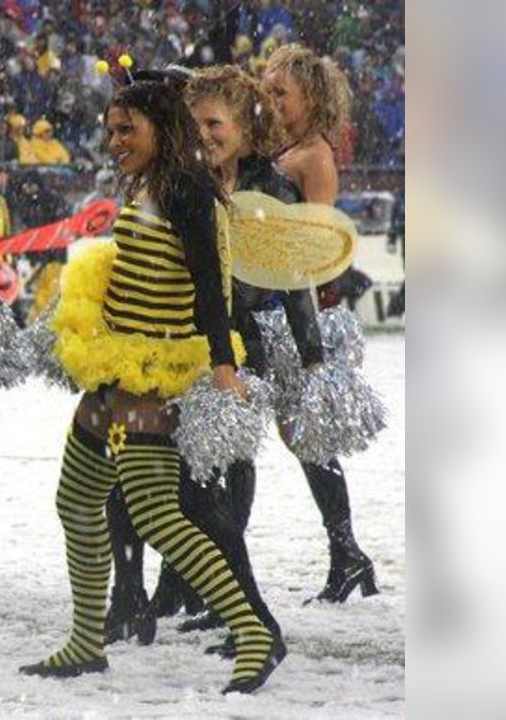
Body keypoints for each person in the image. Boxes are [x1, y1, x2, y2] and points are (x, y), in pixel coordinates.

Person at [20, 78, 282, 694]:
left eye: (125, 130)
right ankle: (87, 640)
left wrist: (223, 365)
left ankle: (252, 633)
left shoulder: (190, 191)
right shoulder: (152, 184)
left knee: (159, 516)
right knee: (76, 500)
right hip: (116, 367)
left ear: (159, 128)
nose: (114, 142)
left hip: (154, 372)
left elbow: (212, 287)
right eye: (111, 130)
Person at [264, 44, 379, 603]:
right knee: (298, 439)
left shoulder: (314, 156)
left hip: (302, 307)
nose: (270, 99)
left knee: (305, 438)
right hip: (276, 303)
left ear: (310, 97)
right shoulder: (281, 147)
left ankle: (348, 553)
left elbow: (319, 240)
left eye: (280, 91)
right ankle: (348, 554)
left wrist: (306, 322)